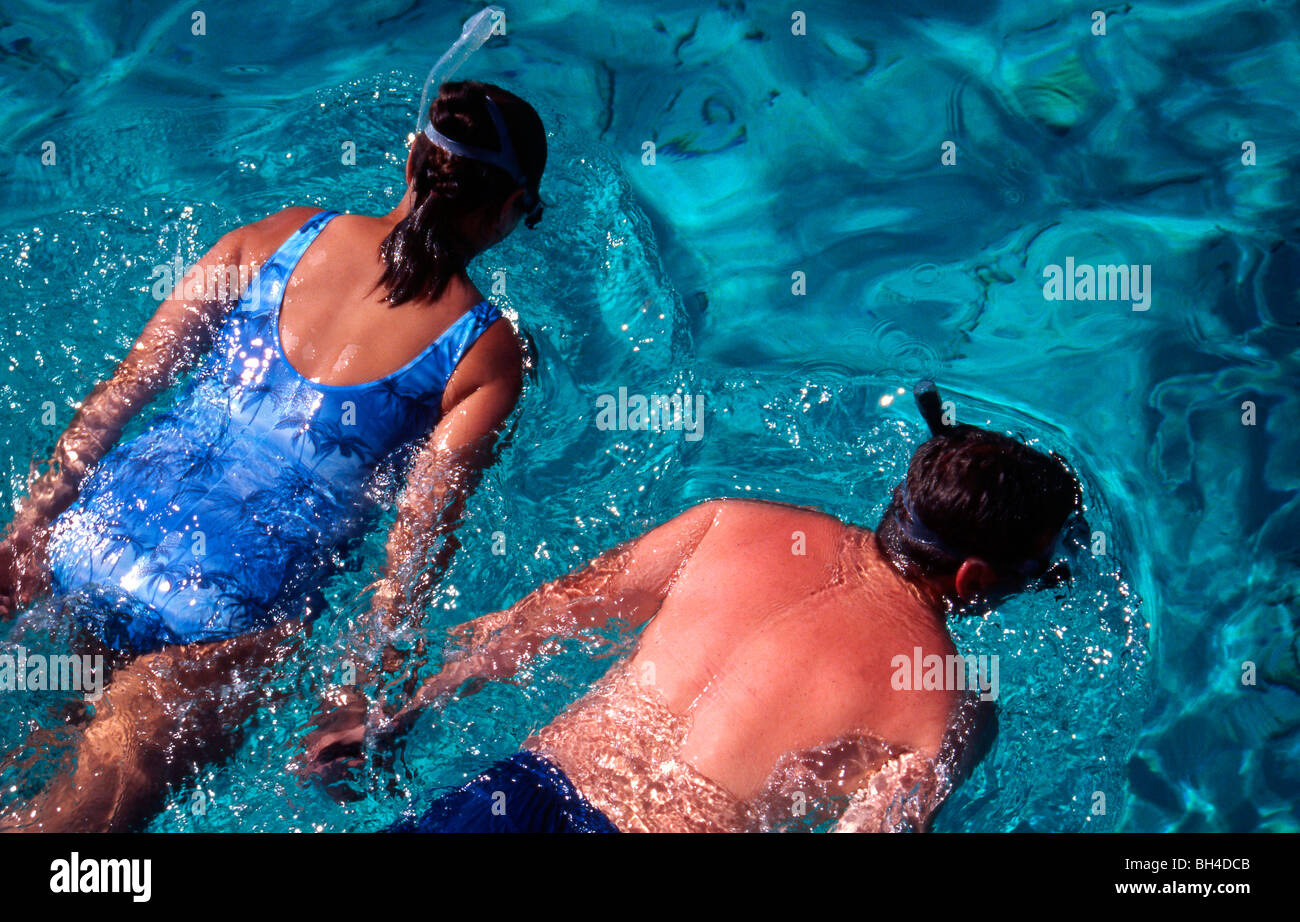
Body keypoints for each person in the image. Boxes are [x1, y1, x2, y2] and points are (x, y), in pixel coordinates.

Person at [0, 80, 547, 832]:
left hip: (95, 540)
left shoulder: (272, 240)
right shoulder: (483, 350)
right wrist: (363, 692)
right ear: (514, 208)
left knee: (48, 757)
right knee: (70, 838)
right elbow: (415, 548)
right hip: (224, 611)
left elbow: (118, 397)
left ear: (411, 160)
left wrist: (28, 527)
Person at [312, 384, 1083, 832]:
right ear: (975, 579)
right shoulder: (946, 707)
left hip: (516, 797)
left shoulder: (729, 524)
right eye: (1036, 570)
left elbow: (539, 619)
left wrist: (402, 713)